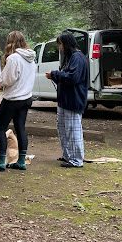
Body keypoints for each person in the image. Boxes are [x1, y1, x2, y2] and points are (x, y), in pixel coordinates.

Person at [0, 31, 36, 172]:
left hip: (12, 99)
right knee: (20, 127)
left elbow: (8, 80)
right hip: (26, 98)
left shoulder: (13, 58)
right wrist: (2, 76)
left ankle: (1, 162)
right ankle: (21, 161)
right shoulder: (31, 58)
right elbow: (20, 77)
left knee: (1, 128)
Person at [45, 32, 88, 168]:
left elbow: (72, 77)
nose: (59, 47)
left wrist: (54, 74)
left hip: (73, 100)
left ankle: (76, 160)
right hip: (65, 100)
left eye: (60, 44)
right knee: (63, 128)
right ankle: (68, 155)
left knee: (73, 130)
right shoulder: (70, 57)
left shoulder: (78, 57)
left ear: (67, 44)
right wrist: (55, 76)